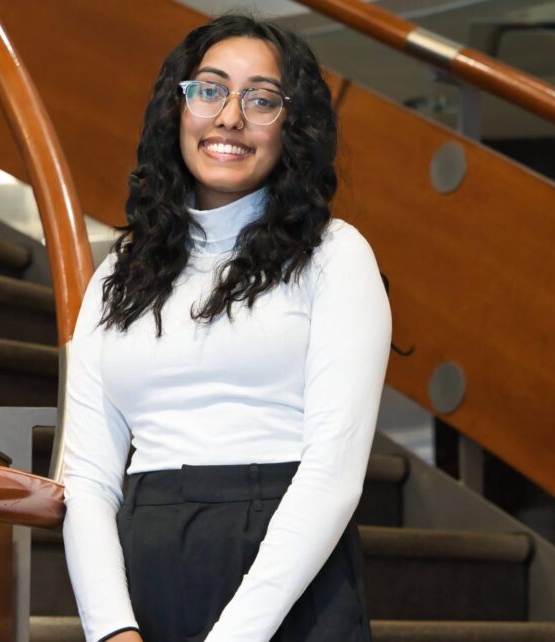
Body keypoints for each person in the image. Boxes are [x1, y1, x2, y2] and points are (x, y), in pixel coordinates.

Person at [61, 13, 393, 642]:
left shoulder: (335, 255)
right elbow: (86, 475)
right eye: (209, 89)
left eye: (262, 99)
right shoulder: (116, 274)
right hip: (147, 575)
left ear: (292, 127)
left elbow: (333, 474)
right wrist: (111, 630)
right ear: (177, 107)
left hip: (289, 583)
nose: (230, 117)